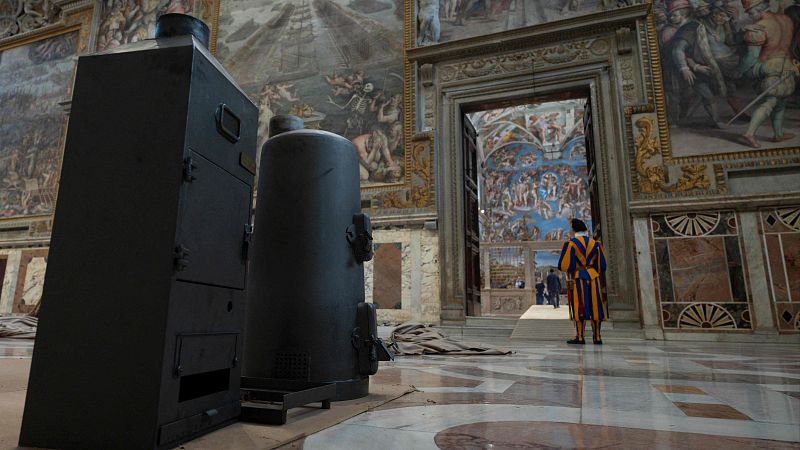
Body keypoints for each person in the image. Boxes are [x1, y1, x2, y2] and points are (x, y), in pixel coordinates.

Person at [558, 218, 607, 345]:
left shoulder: (571, 244)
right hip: (593, 277)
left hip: (579, 277)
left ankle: (580, 336)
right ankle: (597, 336)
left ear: (574, 230)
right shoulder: (596, 244)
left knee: (579, 305)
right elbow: (602, 265)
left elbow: (564, 265)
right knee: (595, 306)